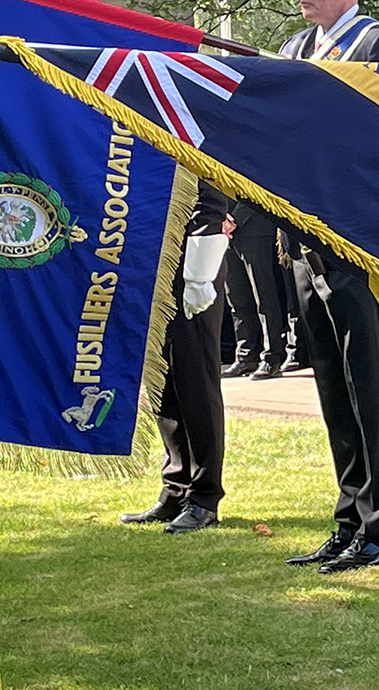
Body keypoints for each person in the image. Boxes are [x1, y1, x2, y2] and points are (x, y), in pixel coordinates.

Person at [274, 0, 379, 570]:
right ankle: (347, 517)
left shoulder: (377, 45)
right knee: (330, 383)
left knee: (366, 385)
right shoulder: (299, 49)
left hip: (352, 242)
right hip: (303, 239)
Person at [121, 181, 231, 532]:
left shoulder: (191, 128)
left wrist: (200, 273)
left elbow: (211, 196)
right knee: (163, 380)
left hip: (192, 261)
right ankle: (176, 485)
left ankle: (204, 494)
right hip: (151, 255)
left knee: (195, 378)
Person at [221, 202, 292, 379]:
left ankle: (272, 356)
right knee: (236, 298)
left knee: (264, 295)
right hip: (223, 228)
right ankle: (246, 356)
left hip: (254, 225)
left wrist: (234, 219)